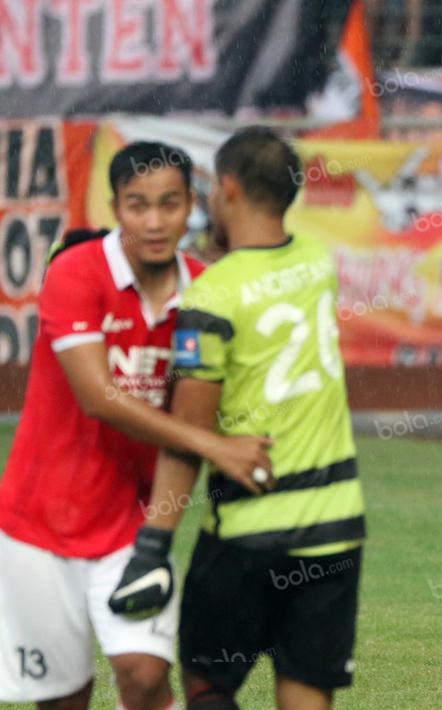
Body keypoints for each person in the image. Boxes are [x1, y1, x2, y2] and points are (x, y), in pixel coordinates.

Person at [0, 142, 272, 710]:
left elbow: (204, 406)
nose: (154, 222)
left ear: (191, 205)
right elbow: (98, 397)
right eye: (137, 205)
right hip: (38, 525)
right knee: (62, 699)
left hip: (132, 523)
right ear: (115, 207)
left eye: (169, 204)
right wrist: (214, 447)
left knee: (146, 679)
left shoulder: (206, 290)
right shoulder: (74, 272)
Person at [108, 127, 365, 710]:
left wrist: (153, 545)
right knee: (307, 688)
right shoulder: (317, 265)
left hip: (250, 532)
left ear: (227, 189)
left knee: (207, 683)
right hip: (336, 524)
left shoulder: (212, 298)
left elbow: (189, 437)